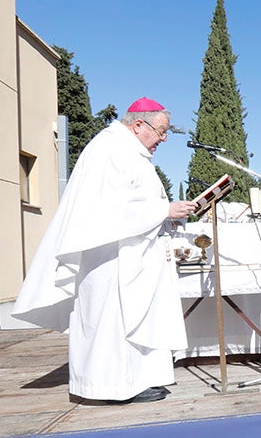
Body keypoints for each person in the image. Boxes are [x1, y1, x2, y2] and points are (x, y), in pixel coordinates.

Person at [14, 97, 198, 404]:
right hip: (111, 259)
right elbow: (109, 209)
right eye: (161, 131)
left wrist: (167, 218)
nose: (164, 138)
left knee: (129, 320)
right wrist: (165, 210)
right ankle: (110, 388)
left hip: (130, 255)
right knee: (112, 323)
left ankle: (136, 382)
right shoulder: (110, 150)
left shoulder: (129, 152)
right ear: (139, 125)